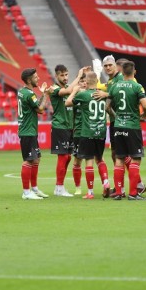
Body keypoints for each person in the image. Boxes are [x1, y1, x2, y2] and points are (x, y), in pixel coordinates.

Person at [95, 56, 146, 196]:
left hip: (122, 121)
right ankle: (123, 188)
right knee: (118, 154)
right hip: (115, 122)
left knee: (122, 155)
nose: (108, 68)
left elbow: (113, 93)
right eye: (105, 66)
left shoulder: (120, 80)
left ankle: (132, 186)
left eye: (110, 65)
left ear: (118, 67)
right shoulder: (112, 81)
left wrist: (106, 94)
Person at [106, 60, 146, 200]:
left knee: (119, 158)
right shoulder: (137, 87)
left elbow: (107, 107)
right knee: (135, 159)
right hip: (132, 126)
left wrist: (116, 116)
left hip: (118, 126)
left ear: (122, 72)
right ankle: (133, 193)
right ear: (134, 72)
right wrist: (144, 115)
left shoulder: (114, 86)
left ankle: (119, 192)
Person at [66, 71, 112, 199]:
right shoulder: (102, 95)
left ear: (86, 81)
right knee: (100, 159)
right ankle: (106, 183)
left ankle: (90, 192)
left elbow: (67, 102)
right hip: (101, 131)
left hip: (88, 132)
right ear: (97, 80)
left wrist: (75, 91)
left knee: (89, 161)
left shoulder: (84, 95)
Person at [48, 64, 88, 197]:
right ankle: (59, 188)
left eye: (66, 75)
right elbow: (69, 90)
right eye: (62, 75)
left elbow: (71, 89)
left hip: (69, 127)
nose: (65, 78)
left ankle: (60, 187)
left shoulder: (67, 87)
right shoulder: (53, 88)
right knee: (63, 156)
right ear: (56, 76)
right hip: (60, 126)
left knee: (68, 157)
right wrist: (78, 76)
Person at [17, 68, 50, 200]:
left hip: (30, 130)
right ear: (29, 80)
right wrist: (46, 94)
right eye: (36, 77)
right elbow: (40, 109)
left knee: (36, 159)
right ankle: (26, 192)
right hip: (28, 131)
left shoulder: (23, 91)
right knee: (28, 160)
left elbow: (36, 106)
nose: (38, 79)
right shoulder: (29, 94)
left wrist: (41, 95)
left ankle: (34, 189)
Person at [70, 74, 87, 195]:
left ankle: (104, 185)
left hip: (91, 131)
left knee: (96, 159)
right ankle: (78, 187)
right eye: (81, 81)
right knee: (77, 160)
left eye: (86, 81)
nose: (84, 83)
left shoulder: (94, 94)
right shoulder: (75, 97)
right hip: (78, 132)